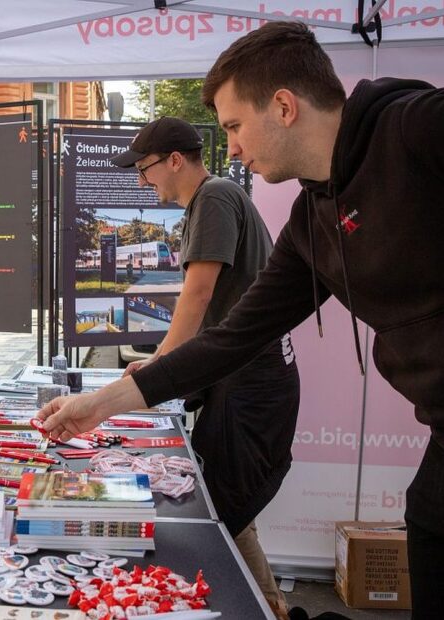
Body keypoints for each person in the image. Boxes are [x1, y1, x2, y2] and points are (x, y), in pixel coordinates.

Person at [39, 21, 444, 619]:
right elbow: (233, 336)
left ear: (282, 106)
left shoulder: (420, 127)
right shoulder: (311, 221)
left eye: (233, 126)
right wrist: (100, 404)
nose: (229, 147)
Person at [111, 116, 299, 619]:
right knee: (227, 511)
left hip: (250, 382)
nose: (142, 182)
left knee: (226, 513)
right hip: (243, 376)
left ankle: (267, 609)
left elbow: (198, 293)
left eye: (145, 169)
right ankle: (271, 605)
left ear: (175, 160)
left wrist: (159, 367)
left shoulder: (212, 197)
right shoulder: (210, 199)